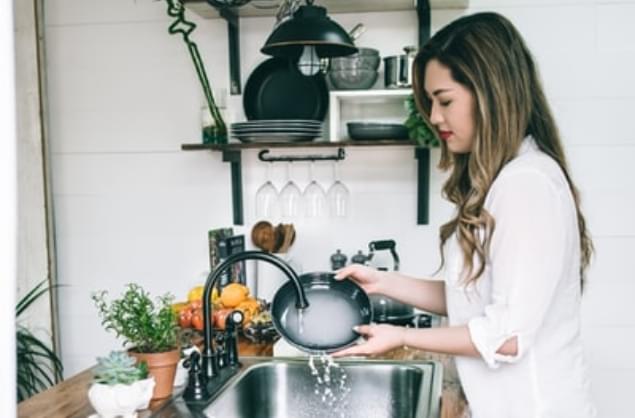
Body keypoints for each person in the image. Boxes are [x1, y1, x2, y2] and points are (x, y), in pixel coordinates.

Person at [333, 12, 596, 418]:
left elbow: (507, 336)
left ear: (489, 93)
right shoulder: (508, 179)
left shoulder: (526, 185)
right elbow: (473, 300)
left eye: (445, 100)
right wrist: (384, 283)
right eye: (430, 103)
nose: (435, 117)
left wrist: (398, 335)